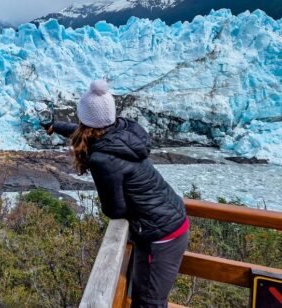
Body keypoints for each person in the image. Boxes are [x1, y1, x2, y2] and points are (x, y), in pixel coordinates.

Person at [44, 79, 189, 308]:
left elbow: (114, 209)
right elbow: (84, 132)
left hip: (161, 235)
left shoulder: (103, 159)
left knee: (148, 303)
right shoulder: (122, 130)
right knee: (141, 295)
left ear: (84, 118)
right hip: (166, 222)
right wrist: (56, 126)